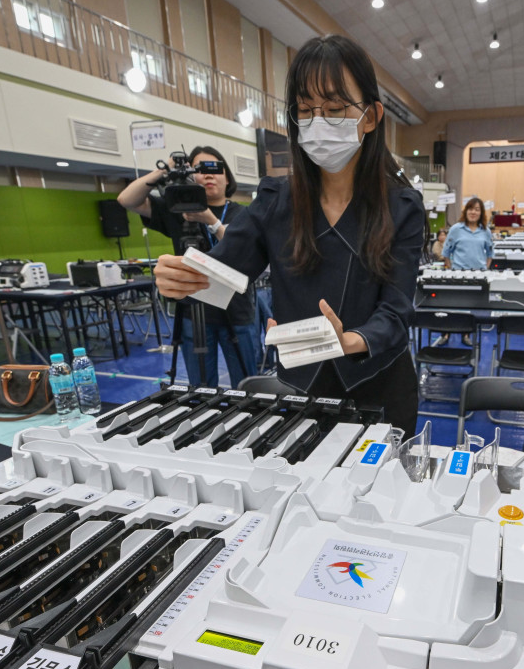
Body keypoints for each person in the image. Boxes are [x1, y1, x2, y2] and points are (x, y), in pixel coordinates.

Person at [151, 35, 425, 437]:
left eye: (334, 109)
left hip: (382, 386)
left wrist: (351, 340)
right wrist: (181, 278)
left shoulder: (402, 206)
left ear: (370, 117)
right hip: (304, 388)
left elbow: (397, 311)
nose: (319, 123)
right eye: (306, 110)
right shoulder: (276, 200)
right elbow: (223, 271)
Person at [117, 146, 258, 387]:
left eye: (215, 169)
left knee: (247, 384)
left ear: (227, 178)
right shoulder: (176, 210)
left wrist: (210, 220)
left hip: (236, 308)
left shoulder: (242, 213)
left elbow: (244, 249)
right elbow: (126, 199)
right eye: (200, 169)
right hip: (193, 309)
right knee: (201, 387)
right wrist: (165, 170)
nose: (208, 175)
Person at [442, 197, 493, 270]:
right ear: (466, 211)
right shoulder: (455, 229)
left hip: (480, 273)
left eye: (477, 210)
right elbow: (446, 253)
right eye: (470, 209)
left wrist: (485, 269)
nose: (473, 212)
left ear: (481, 213)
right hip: (459, 273)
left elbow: (490, 254)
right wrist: (452, 270)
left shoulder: (486, 231)